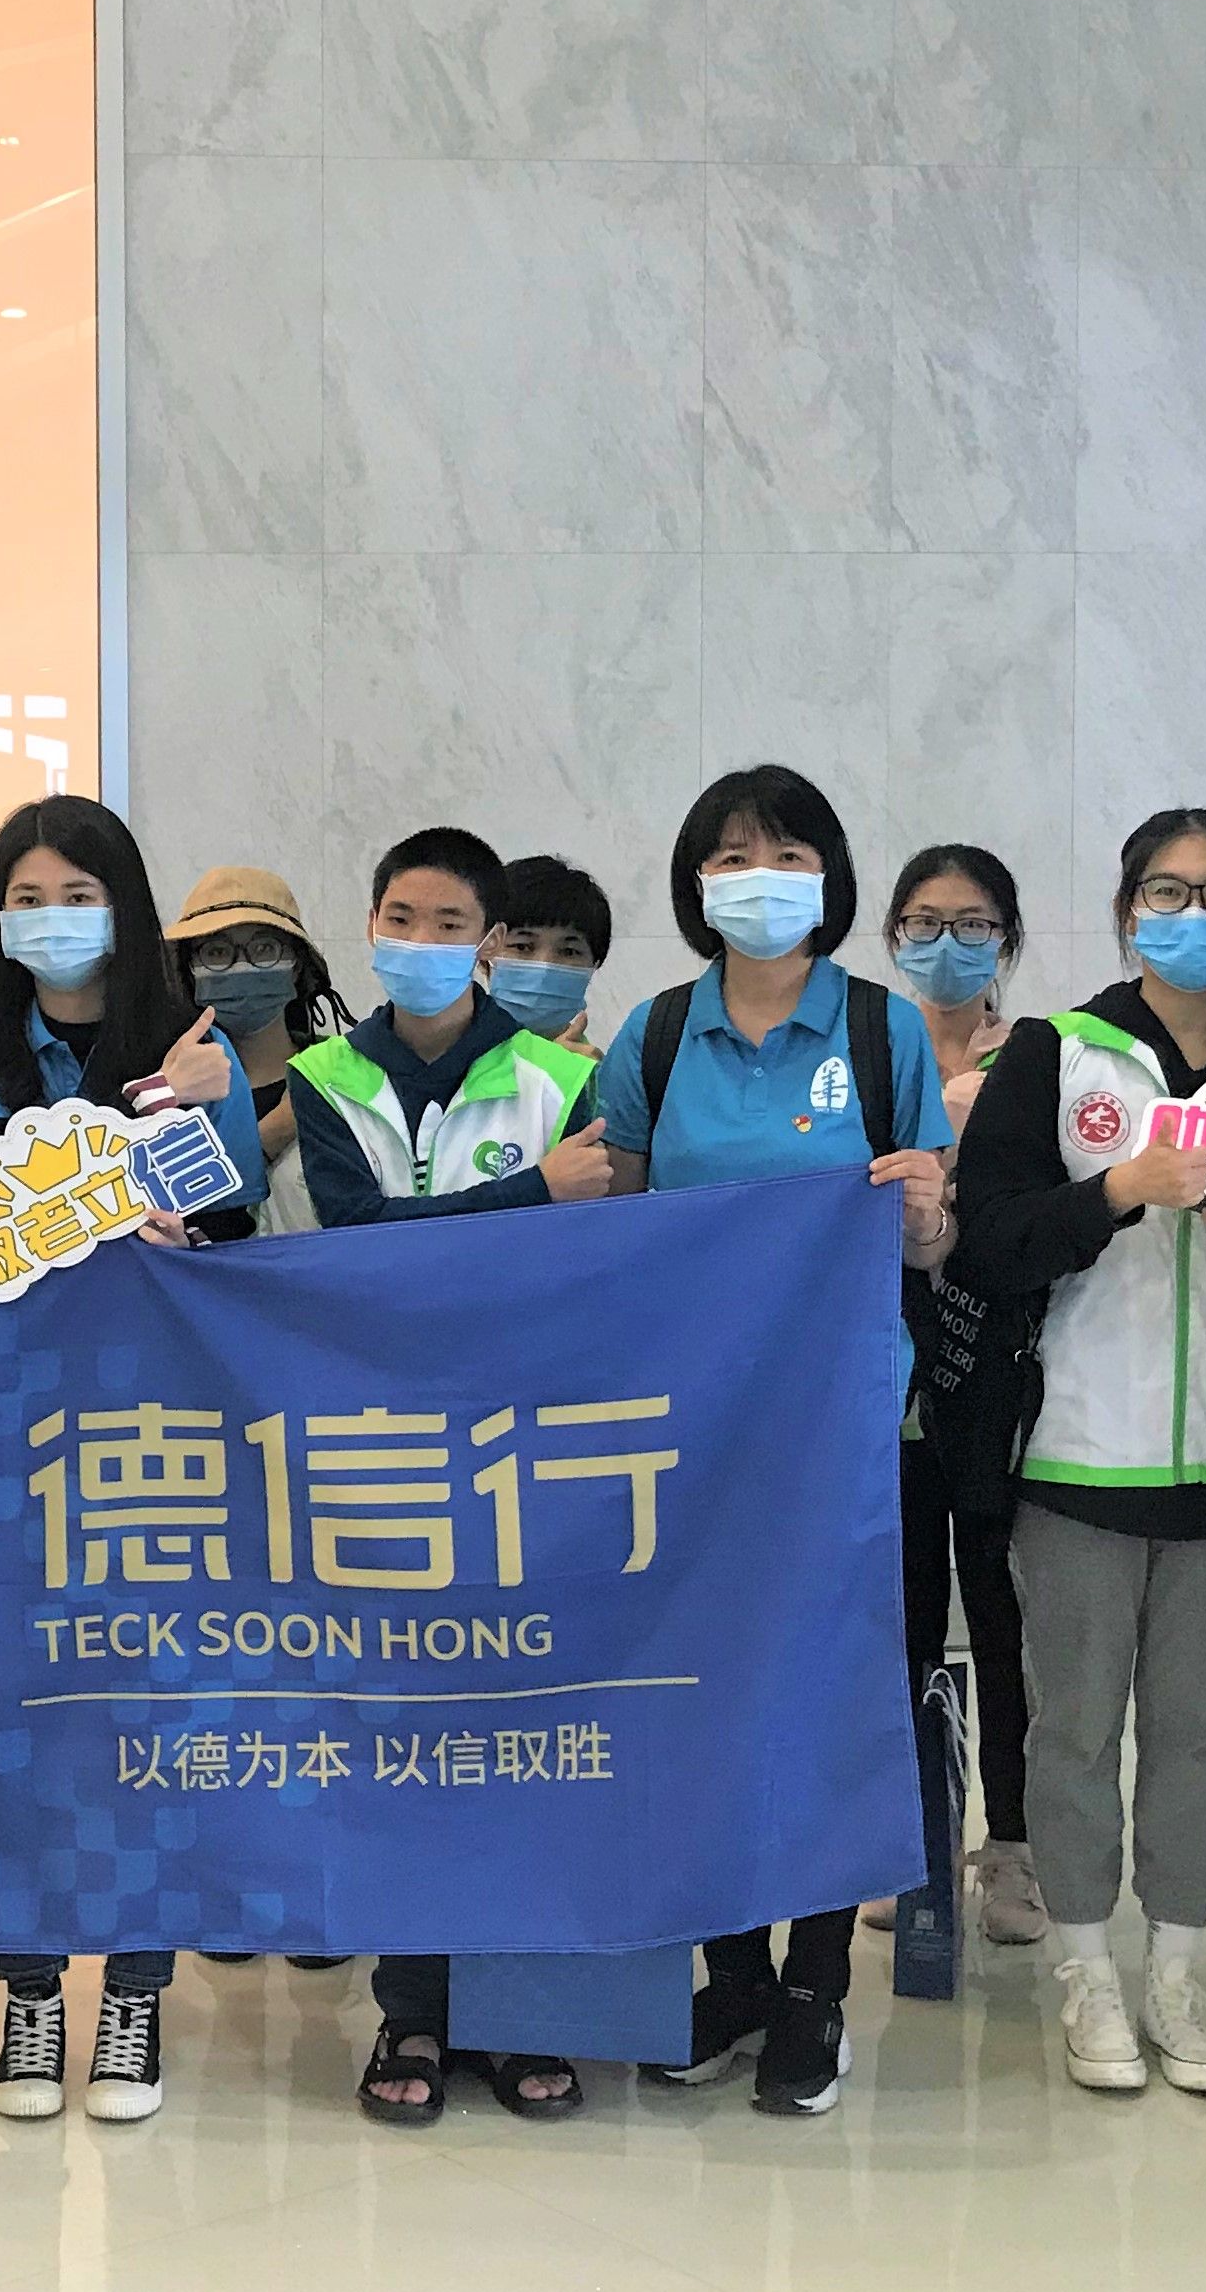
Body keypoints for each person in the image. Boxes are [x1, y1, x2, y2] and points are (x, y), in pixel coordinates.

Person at [952, 812, 1206, 2098]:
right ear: (1126, 913)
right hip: (1076, 1455)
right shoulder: (1057, 1052)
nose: (1191, 916)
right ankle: (1084, 1969)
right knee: (1069, 1733)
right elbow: (987, 1239)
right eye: (1166, 893)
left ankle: (1173, 1972)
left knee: (1195, 1737)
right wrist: (1118, 1192)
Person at [598, 765, 954, 2118]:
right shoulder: (652, 1037)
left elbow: (931, 1238)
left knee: (821, 1704)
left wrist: (920, 1213)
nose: (761, 877)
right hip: (685, 1433)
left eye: (788, 853)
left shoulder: (876, 1030)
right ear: (696, 882)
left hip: (840, 1431)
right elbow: (618, 1234)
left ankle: (813, 1985)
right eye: (734, 854)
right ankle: (731, 1972)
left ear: (829, 878)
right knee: (698, 1696)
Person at [0, 795, 267, 2123]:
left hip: (147, 1437)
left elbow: (229, 1228)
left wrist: (194, 1118)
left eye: (77, 892)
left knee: (144, 1713)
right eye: (26, 895)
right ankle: (26, 1990)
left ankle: (132, 1992)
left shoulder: (188, 1044)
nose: (50, 917)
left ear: (122, 906)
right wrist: (117, 1172)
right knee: (15, 1710)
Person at [294, 826, 613, 2126]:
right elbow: (357, 1242)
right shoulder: (322, 1077)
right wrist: (529, 1193)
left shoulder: (560, 1077)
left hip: (528, 1437)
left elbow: (586, 1264)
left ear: (484, 942)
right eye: (397, 917)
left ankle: (518, 2005)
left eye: (445, 924)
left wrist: (544, 1205)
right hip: (377, 1448)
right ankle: (412, 2008)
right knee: (400, 1736)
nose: (417, 943)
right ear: (370, 923)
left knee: (523, 1727)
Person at [876, 844, 1047, 1957]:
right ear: (894, 936)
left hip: (994, 1384)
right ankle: (910, 1841)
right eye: (925, 923)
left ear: (1006, 940)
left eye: (973, 924)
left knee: (999, 1616)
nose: (948, 944)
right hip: (882, 1384)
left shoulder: (1037, 1061)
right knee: (898, 1623)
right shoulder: (869, 1052)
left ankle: (1014, 1850)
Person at [170, 865, 346, 1238]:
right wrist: (271, 1134)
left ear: (297, 965)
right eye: (217, 952)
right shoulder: (169, 1091)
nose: (241, 966)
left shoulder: (345, 1071)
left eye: (264, 948)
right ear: (188, 970)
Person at [485, 854, 612, 1054]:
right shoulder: (445, 1056)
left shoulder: (595, 1069)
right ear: (483, 955)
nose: (545, 966)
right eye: (522, 947)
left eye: (569, 951)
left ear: (594, 965)